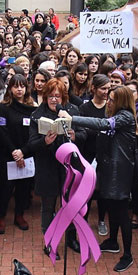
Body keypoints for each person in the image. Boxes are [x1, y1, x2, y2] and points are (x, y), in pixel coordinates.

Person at [66, 84, 138, 272]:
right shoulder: (114, 115)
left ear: (121, 101)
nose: (108, 102)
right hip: (108, 170)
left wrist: (72, 119)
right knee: (111, 208)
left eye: (112, 99)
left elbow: (103, 125)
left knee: (121, 212)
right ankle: (113, 241)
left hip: (120, 173)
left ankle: (128, 255)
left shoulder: (125, 117)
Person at [29, 77, 82, 254]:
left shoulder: (72, 111)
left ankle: (71, 238)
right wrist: (44, 141)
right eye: (50, 96)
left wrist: (76, 137)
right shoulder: (37, 115)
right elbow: (31, 144)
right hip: (48, 167)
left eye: (57, 96)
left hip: (69, 168)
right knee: (48, 206)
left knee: (70, 205)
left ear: (63, 97)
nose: (54, 100)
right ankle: (49, 241)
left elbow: (85, 135)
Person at [0, 74, 35, 233]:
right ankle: (1, 217)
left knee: (24, 188)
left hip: (27, 153)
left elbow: (35, 132)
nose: (19, 89)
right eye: (16, 86)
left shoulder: (33, 107)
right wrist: (14, 151)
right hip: (8, 154)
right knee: (5, 189)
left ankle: (19, 215)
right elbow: (2, 130)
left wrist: (23, 152)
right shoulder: (4, 107)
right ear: (10, 88)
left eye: (22, 86)